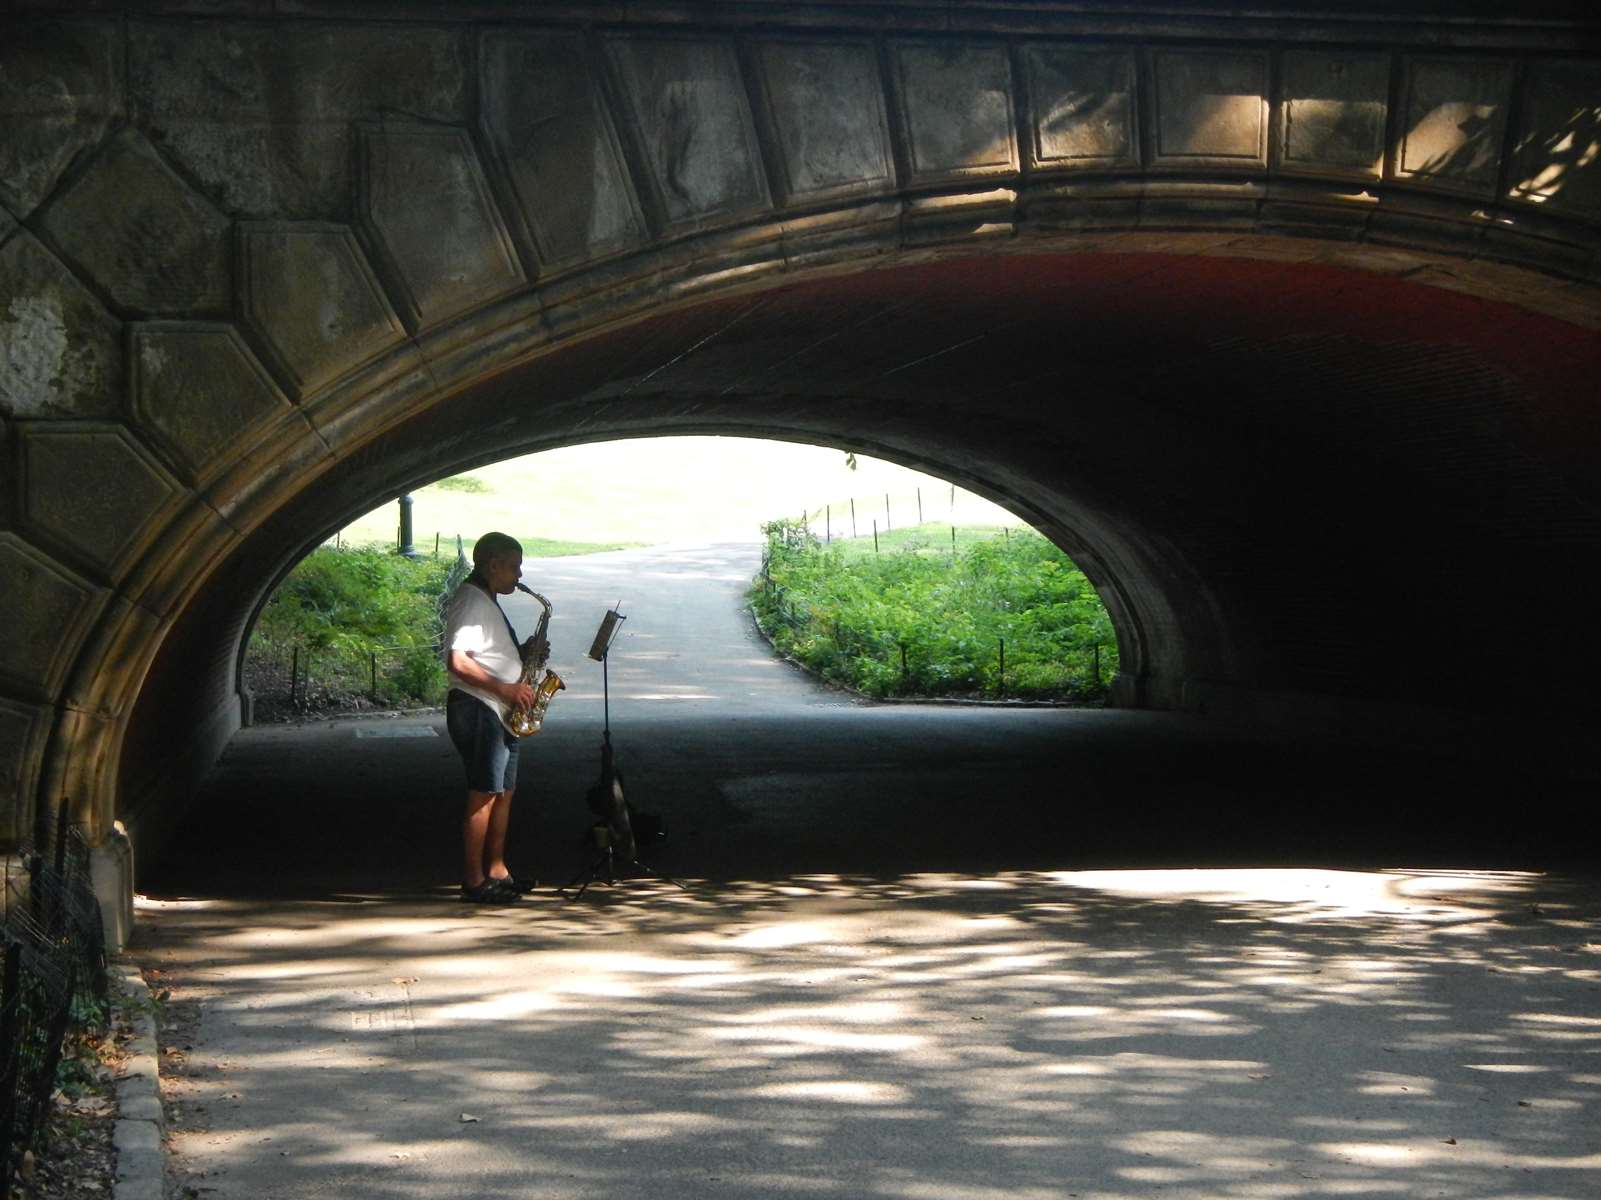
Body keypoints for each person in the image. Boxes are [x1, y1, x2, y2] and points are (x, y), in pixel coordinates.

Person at [442, 532, 541, 903]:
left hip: (499, 710)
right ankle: (474, 880)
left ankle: (497, 870)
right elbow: (458, 660)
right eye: (514, 567)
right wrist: (505, 689)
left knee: (504, 793)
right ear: (493, 565)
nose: (519, 575)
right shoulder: (471, 601)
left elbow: (488, 654)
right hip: (480, 707)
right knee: (484, 794)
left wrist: (524, 653)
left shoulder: (486, 600)